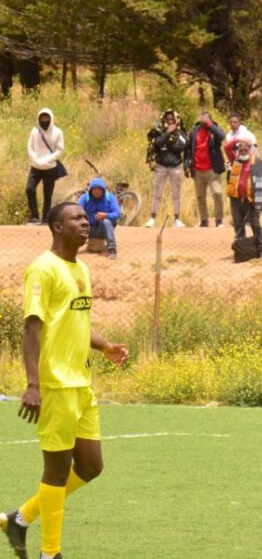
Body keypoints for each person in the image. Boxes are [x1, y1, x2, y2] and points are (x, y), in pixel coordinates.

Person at [0, 203, 128, 559]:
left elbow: (77, 322)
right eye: (77, 219)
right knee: (56, 470)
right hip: (54, 385)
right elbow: (31, 326)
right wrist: (33, 384)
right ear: (58, 227)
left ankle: (20, 519)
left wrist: (105, 346)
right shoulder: (42, 269)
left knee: (90, 466)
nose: (86, 223)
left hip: (81, 383)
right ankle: (50, 553)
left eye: (86, 219)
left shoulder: (82, 268)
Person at [226, 141, 262, 260]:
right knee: (238, 227)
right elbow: (227, 147)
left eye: (245, 150)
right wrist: (238, 139)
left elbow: (261, 185)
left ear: (250, 150)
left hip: (252, 202)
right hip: (236, 201)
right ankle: (243, 251)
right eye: (241, 150)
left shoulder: (257, 163)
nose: (243, 152)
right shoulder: (234, 162)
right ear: (238, 152)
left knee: (255, 226)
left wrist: (258, 205)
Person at [145, 109, 188, 228]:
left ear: (176, 120)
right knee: (156, 192)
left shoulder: (181, 132)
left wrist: (168, 143)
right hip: (161, 166)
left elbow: (181, 146)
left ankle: (177, 220)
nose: (170, 121)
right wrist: (168, 134)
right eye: (168, 119)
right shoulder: (159, 131)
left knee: (176, 194)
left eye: (172, 119)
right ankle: (152, 219)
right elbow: (157, 144)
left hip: (176, 166)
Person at [185, 111, 227, 228]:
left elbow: (222, 137)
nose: (203, 119)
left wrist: (210, 124)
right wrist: (187, 166)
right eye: (202, 117)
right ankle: (204, 220)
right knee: (200, 196)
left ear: (210, 119)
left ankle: (219, 220)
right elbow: (188, 149)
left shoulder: (214, 129)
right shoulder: (194, 131)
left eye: (206, 118)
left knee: (217, 194)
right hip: (197, 170)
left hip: (212, 169)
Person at [26, 108, 65, 226]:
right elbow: (30, 148)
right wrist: (36, 160)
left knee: (47, 194)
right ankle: (34, 217)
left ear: (51, 118)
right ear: (39, 118)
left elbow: (59, 150)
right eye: (42, 118)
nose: (44, 120)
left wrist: (47, 160)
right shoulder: (34, 131)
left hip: (50, 167)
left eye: (46, 117)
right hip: (35, 166)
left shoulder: (58, 132)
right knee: (29, 189)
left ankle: (45, 218)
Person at [78, 178, 120, 260]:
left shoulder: (110, 198)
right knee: (75, 223)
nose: (97, 191)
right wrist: (87, 219)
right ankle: (71, 248)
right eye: (94, 189)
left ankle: (112, 250)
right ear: (91, 190)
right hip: (88, 229)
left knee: (106, 221)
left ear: (103, 190)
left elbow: (117, 214)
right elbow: (77, 212)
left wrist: (106, 215)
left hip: (103, 230)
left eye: (99, 189)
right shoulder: (84, 198)